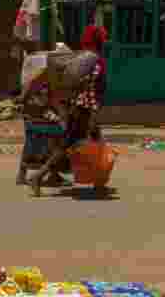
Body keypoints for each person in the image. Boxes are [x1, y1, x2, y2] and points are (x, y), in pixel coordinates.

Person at [28, 24, 108, 197]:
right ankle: (38, 176)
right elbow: (93, 89)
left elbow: (83, 85)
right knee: (68, 146)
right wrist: (94, 113)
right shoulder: (96, 60)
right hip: (84, 111)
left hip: (80, 108)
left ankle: (99, 181)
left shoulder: (84, 58)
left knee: (95, 144)